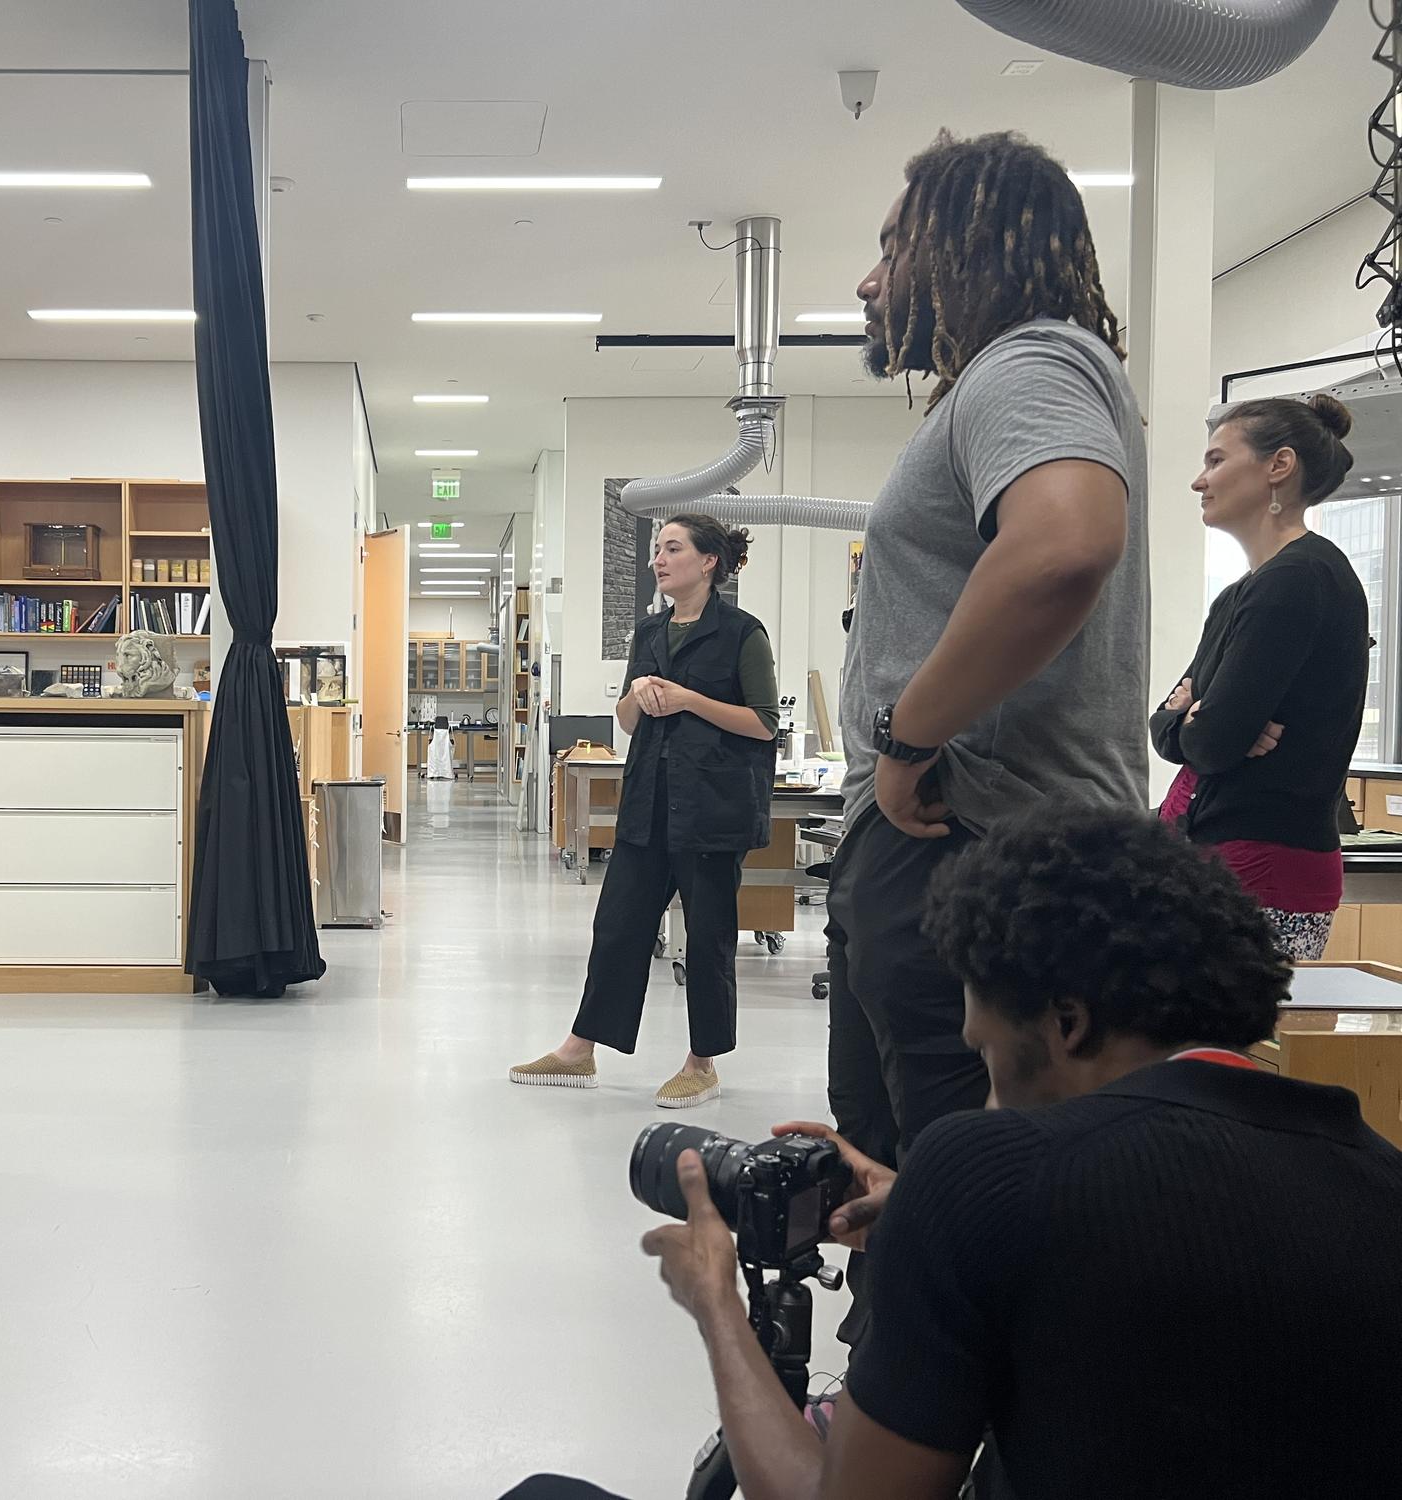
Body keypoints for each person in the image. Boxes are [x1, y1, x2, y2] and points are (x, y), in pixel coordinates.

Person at [511, 809, 1402, 1500]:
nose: (988, 1097)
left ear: (1068, 1023)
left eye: (985, 1056)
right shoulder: (1378, 1173)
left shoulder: (988, 1170)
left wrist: (717, 1306)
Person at [827, 129, 1149, 1187]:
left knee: (981, 1198)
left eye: (892, 246)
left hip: (974, 850)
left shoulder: (1031, 360)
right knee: (904, 1183)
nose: (868, 282)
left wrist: (905, 735)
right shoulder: (1014, 377)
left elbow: (1061, 546)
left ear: (971, 248)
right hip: (961, 851)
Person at [511, 515, 778, 1106]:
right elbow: (628, 724)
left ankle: (701, 1062)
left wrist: (688, 699)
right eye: (657, 549)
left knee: (708, 936)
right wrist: (635, 697)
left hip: (712, 809)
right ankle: (580, 1050)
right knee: (617, 927)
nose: (658, 559)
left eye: (672, 549)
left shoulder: (741, 633)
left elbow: (762, 724)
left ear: (709, 562)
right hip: (648, 804)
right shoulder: (648, 634)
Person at [1151, 394, 1366, 959]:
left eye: (1217, 460)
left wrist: (1201, 718)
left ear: (1278, 466)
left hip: (1258, 867)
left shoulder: (1300, 579)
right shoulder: (1241, 594)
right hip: (1205, 855)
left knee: (1225, 1045)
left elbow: (1215, 741)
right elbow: (1168, 726)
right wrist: (1189, 720)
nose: (1200, 481)